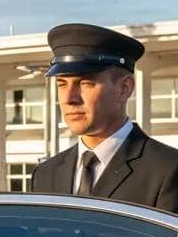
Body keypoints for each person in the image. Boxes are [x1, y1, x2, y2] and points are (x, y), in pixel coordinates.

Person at [31, 23, 178, 212]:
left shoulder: (167, 170)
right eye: (62, 84)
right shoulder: (45, 174)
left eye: (84, 83)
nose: (69, 98)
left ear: (124, 88)